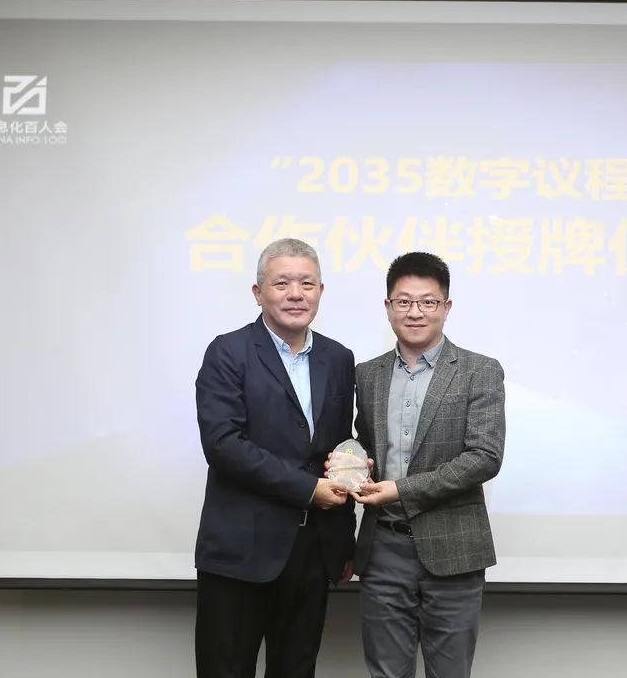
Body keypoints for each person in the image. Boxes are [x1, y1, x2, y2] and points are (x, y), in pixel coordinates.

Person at [194, 238, 356, 678]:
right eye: (282, 283)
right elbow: (223, 445)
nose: (295, 294)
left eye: (307, 283)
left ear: (321, 291)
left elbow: (338, 449)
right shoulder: (228, 352)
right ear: (258, 292)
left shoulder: (338, 358)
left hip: (312, 552)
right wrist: (309, 489)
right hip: (240, 552)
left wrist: (343, 540)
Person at [350, 251, 506, 678]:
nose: (414, 312)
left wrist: (401, 490)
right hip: (383, 550)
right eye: (403, 301)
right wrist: (350, 462)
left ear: (446, 307)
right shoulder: (367, 374)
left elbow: (484, 457)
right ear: (388, 307)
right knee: (386, 673)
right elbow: (366, 446)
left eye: (427, 301)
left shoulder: (479, 371)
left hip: (455, 550)